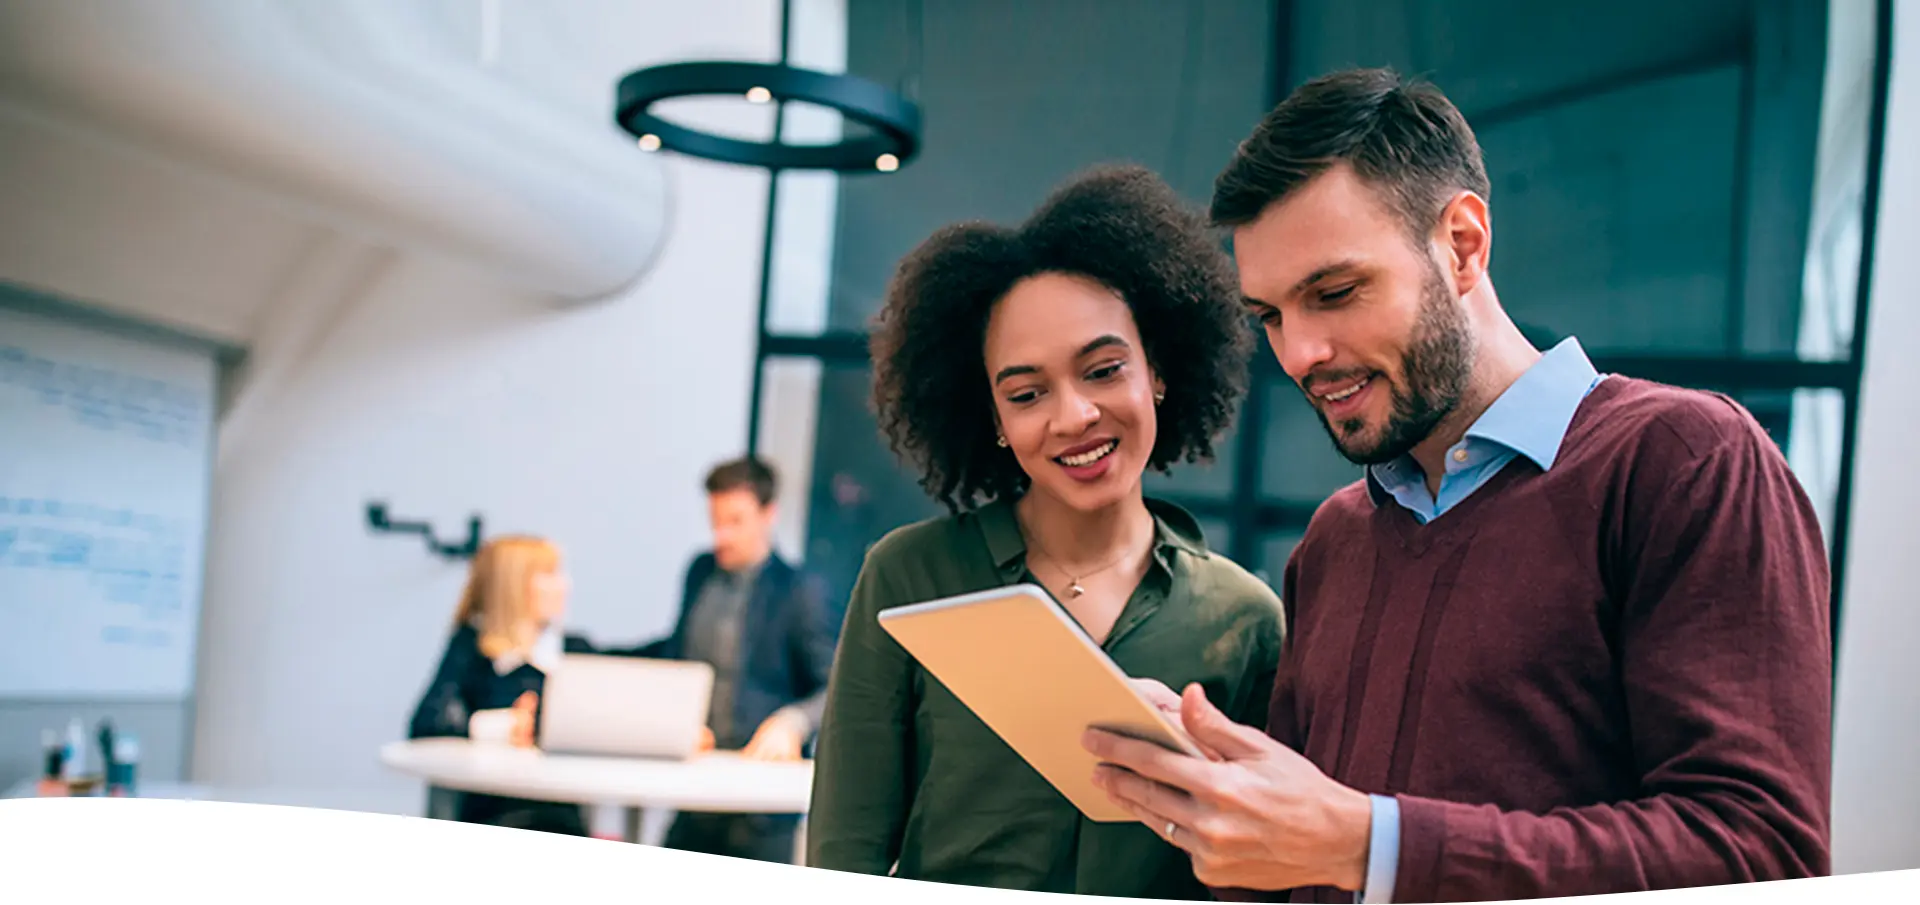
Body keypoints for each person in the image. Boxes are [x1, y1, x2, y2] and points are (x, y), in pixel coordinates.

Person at [1082, 68, 1832, 903]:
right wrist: (1219, 799)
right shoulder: (1335, 540)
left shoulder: (1683, 461)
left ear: (1465, 244)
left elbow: (1762, 855)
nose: (1298, 354)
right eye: (1271, 316)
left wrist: (1372, 844)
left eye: (1334, 292)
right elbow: (1305, 866)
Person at [806, 164, 1287, 899]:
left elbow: (1257, 877)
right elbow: (845, 855)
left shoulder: (1244, 619)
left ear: (1156, 370)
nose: (1073, 417)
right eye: (1027, 393)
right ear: (993, 418)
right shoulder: (910, 576)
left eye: (1103, 370)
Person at [609, 456, 838, 863]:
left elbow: (835, 683)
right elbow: (674, 654)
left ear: (769, 515)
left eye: (735, 522)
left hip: (761, 802)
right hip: (695, 784)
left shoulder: (800, 590)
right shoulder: (699, 572)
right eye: (715, 521)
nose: (721, 536)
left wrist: (793, 722)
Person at [408, 534, 591, 836]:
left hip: (562, 818)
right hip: (490, 815)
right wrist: (505, 726)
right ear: (513, 586)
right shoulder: (473, 651)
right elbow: (428, 721)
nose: (565, 585)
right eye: (549, 575)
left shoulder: (574, 650)